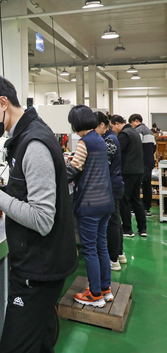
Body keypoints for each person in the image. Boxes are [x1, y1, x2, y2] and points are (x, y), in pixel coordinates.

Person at [0, 73, 78, 353]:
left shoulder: (34, 144)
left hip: (39, 270)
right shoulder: (25, 136)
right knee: (40, 342)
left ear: (2, 104)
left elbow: (42, 219)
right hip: (40, 263)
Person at [66, 106, 114, 308]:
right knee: (101, 245)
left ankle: (94, 295)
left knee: (89, 249)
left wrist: (57, 173)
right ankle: (105, 289)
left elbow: (74, 170)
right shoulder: (100, 140)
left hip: (90, 204)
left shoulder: (84, 142)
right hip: (105, 202)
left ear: (77, 124)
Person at [95, 112, 126, 270]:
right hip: (116, 184)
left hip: (112, 186)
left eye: (94, 127)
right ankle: (119, 254)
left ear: (102, 125)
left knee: (112, 223)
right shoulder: (109, 138)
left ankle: (113, 260)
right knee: (116, 221)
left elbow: (103, 165)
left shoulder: (109, 140)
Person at [110, 115, 147, 237]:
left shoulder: (124, 134)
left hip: (128, 171)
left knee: (124, 199)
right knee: (136, 199)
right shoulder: (133, 131)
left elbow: (118, 152)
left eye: (112, 127)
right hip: (138, 170)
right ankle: (142, 228)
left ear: (117, 124)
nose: (113, 130)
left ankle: (127, 229)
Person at [129, 114, 156, 216]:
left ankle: (133, 208)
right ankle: (146, 208)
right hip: (149, 162)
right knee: (147, 185)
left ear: (136, 121)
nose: (132, 125)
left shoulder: (138, 131)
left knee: (135, 184)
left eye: (131, 123)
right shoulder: (149, 131)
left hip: (140, 162)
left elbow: (135, 146)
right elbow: (154, 147)